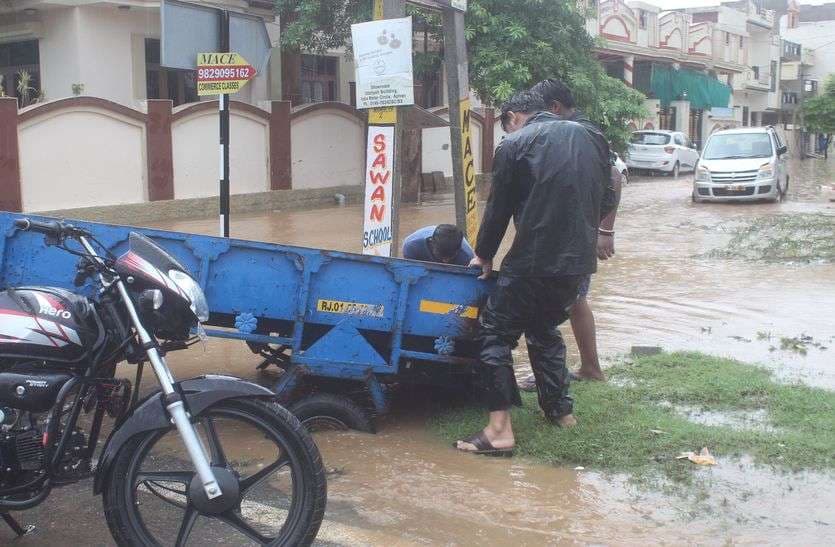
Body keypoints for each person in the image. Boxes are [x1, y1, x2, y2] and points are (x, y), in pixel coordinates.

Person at [455, 88, 616, 456]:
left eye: (506, 127)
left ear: (513, 118)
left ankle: (499, 430)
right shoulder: (592, 136)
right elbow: (609, 194)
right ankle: (561, 413)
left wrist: (483, 255)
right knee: (544, 329)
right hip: (577, 262)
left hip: (533, 260)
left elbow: (498, 208)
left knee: (494, 335)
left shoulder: (515, 145)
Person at [512, 78, 623, 385]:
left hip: (574, 235)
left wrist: (605, 230)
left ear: (555, 108)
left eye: (537, 114)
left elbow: (614, 175)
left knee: (557, 302)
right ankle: (588, 368)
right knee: (573, 300)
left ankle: (560, 373)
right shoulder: (577, 131)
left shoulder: (583, 132)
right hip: (571, 233)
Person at [402, 224, 474, 266]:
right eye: (441, 256)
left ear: (458, 250)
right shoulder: (412, 247)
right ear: (431, 243)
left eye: (450, 257)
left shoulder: (466, 256)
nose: (445, 261)